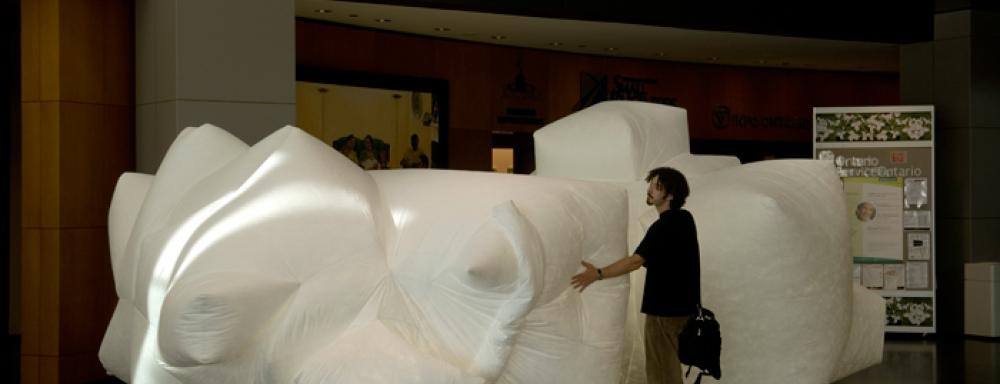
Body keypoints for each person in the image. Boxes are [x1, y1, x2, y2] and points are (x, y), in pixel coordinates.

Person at [571, 167, 701, 384]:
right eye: (650, 184)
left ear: (670, 194)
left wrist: (598, 274)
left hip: (664, 312)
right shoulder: (686, 219)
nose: (650, 190)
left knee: (662, 374)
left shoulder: (664, 226)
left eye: (657, 186)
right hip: (683, 311)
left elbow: (635, 261)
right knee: (669, 370)